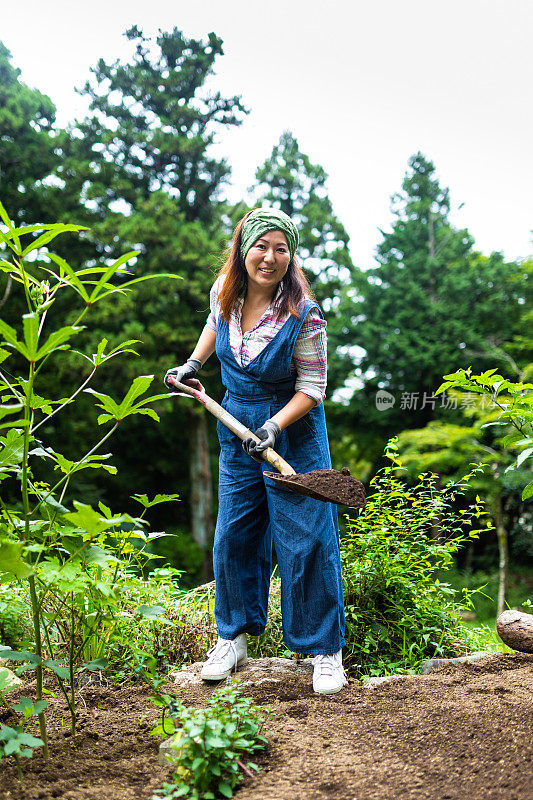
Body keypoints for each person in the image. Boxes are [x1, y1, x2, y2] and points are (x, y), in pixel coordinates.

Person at [164, 207, 346, 694]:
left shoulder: (304, 314)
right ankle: (234, 636)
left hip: (294, 428)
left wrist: (272, 425)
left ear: (291, 255)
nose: (269, 258)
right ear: (243, 251)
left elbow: (313, 387)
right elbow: (212, 325)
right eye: (260, 247)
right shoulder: (225, 292)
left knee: (305, 539)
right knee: (235, 535)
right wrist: (192, 364)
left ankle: (325, 650)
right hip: (236, 425)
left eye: (280, 249)